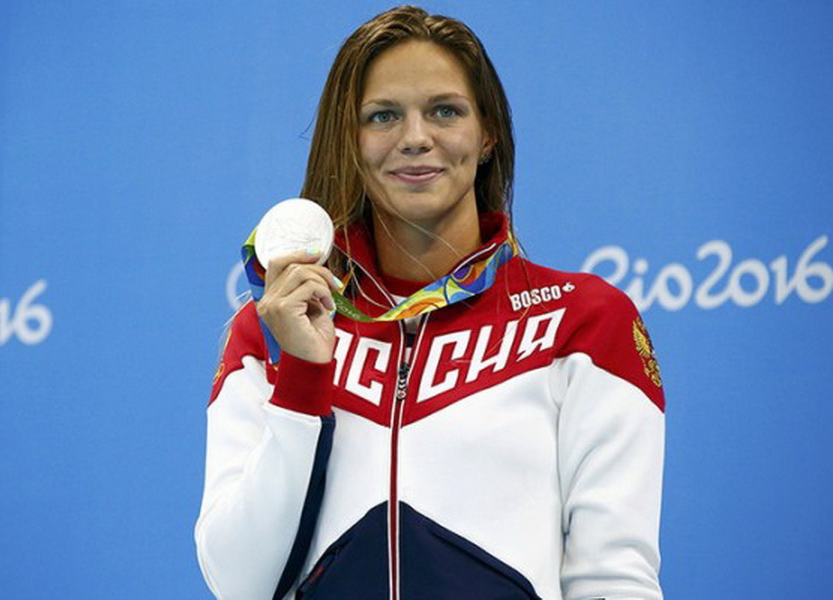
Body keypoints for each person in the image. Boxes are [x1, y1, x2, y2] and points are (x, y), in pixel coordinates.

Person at [195, 6, 665, 600]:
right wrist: (302, 377)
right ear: (350, 141)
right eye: (383, 115)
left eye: (445, 110)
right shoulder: (272, 329)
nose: (416, 137)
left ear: (487, 134)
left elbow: (614, 581)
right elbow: (238, 584)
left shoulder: (582, 321)